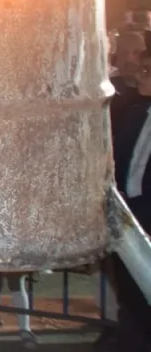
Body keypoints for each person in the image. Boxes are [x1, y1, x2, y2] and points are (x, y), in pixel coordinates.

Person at [109, 49, 151, 350]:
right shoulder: (135, 112)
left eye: (147, 71)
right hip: (130, 217)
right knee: (130, 292)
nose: (139, 75)